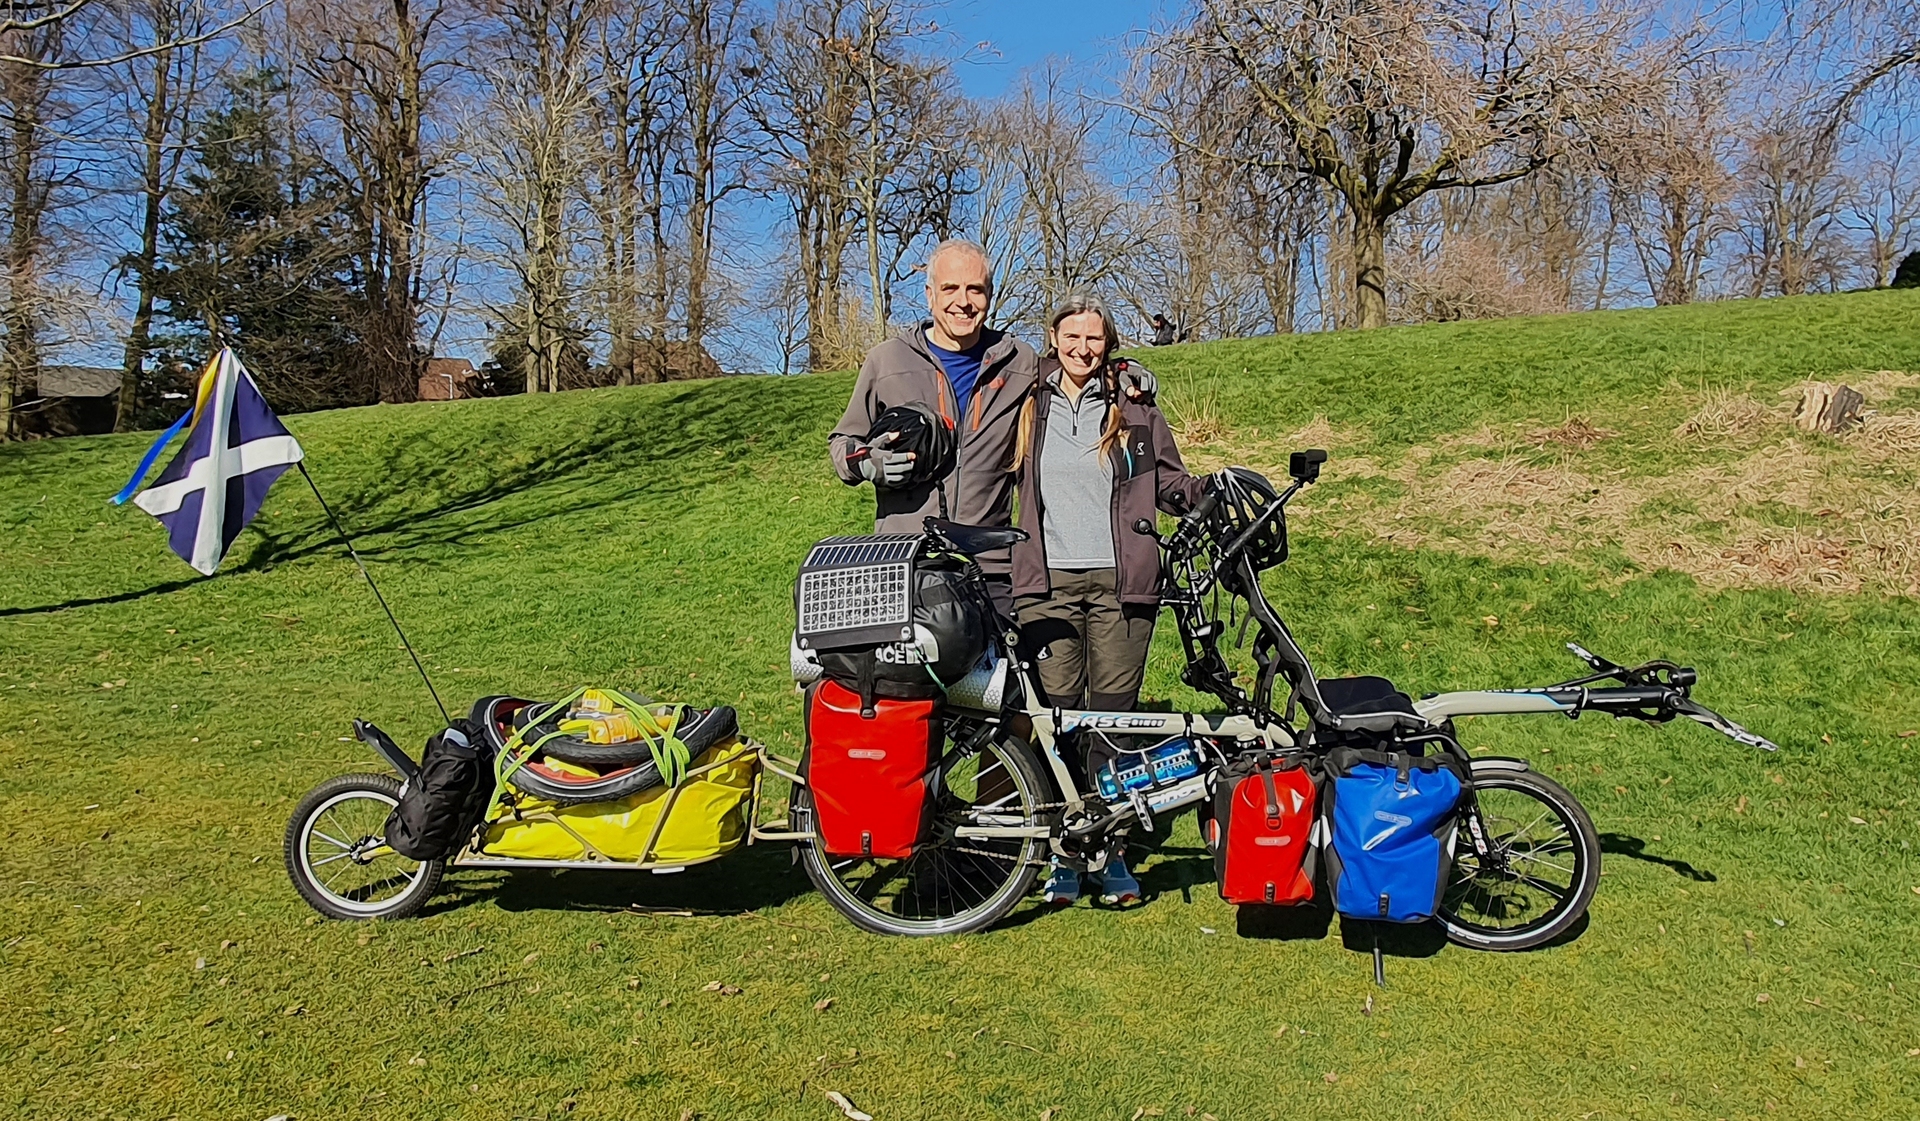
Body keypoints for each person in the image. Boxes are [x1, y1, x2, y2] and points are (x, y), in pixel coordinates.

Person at [1009, 291, 1208, 906]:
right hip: (1048, 585)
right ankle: (1065, 856)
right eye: (1072, 335)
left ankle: (1115, 851)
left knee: (1116, 724)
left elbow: (1167, 479)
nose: (1082, 348)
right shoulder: (1028, 403)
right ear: (1053, 337)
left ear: (1109, 342)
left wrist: (1207, 492)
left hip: (1124, 586)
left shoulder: (1136, 408)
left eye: (1094, 337)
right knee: (1060, 721)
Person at [829, 239, 1038, 604]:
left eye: (975, 289)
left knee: (1000, 663)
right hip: (902, 563)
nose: (963, 301)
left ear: (990, 294)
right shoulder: (887, 360)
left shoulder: (1019, 361)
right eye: (950, 288)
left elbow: (1077, 373)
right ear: (929, 295)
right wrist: (866, 463)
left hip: (988, 567)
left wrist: (1125, 374)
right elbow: (843, 441)